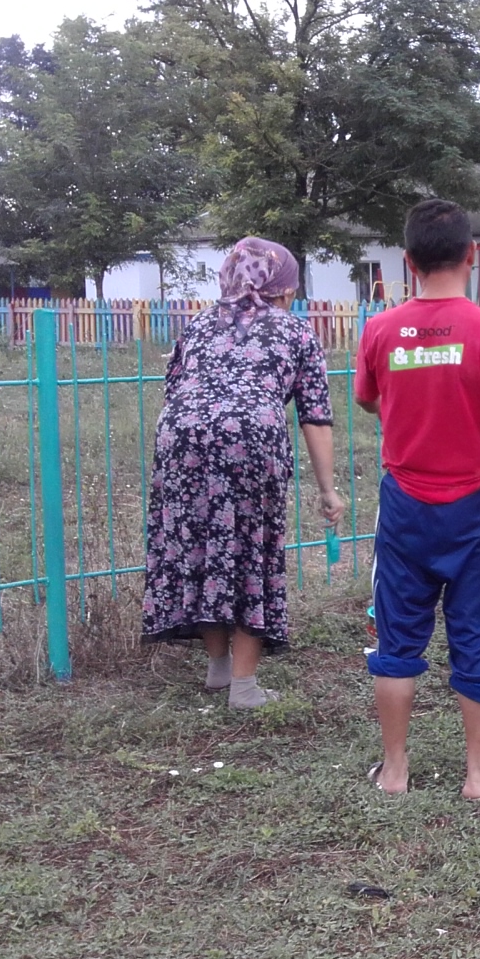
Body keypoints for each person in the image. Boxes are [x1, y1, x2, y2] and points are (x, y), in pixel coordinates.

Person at [355, 199, 480, 798]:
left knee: (397, 640)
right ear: (472, 255)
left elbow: (369, 399)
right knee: (479, 635)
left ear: (408, 261)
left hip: (404, 507)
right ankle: (479, 774)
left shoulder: (380, 330)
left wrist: (412, 405)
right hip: (476, 512)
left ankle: (394, 772)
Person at [141, 237, 345, 708]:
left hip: (181, 440)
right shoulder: (295, 331)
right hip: (248, 442)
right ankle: (245, 687)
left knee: (201, 547)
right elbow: (315, 416)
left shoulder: (197, 324)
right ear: (284, 288)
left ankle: (218, 668)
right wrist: (328, 489)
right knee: (252, 551)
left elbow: (175, 388)